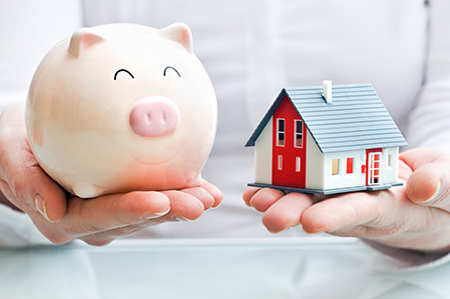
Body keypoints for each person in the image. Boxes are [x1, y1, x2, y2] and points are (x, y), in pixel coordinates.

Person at [1, 0, 450, 267]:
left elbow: (443, 119)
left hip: (381, 276)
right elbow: (18, 92)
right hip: (117, 271)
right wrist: (18, 160)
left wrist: (434, 210)